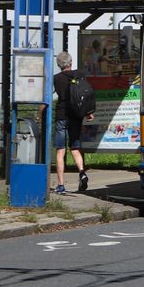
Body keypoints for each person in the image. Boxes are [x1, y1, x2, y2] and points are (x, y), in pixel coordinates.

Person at [48, 51, 93, 194]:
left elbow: (48, 95)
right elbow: (84, 94)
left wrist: (39, 112)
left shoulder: (56, 78)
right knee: (75, 148)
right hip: (76, 116)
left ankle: (61, 185)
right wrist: (88, 112)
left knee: (60, 151)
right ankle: (82, 172)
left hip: (61, 115)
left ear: (58, 65)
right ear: (71, 62)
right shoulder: (79, 74)